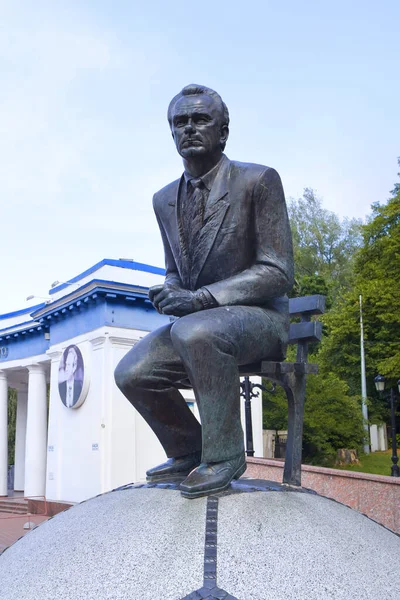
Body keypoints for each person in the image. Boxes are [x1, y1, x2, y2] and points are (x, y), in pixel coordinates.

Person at [115, 84, 294, 498]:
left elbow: (277, 271)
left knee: (195, 332)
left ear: (223, 131)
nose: (189, 129)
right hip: (199, 323)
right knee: (132, 373)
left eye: (200, 120)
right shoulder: (163, 200)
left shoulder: (258, 180)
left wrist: (200, 300)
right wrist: (170, 292)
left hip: (260, 319)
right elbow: (175, 270)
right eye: (180, 122)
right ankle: (189, 449)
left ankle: (224, 455)